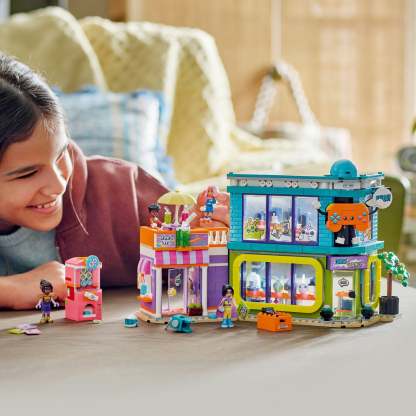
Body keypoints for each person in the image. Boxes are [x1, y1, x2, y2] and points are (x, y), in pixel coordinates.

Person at [0, 54, 168, 310]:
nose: (58, 185)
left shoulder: (123, 193)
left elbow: (200, 242)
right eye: (27, 174)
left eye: (61, 155)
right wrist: (12, 290)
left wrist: (216, 228)